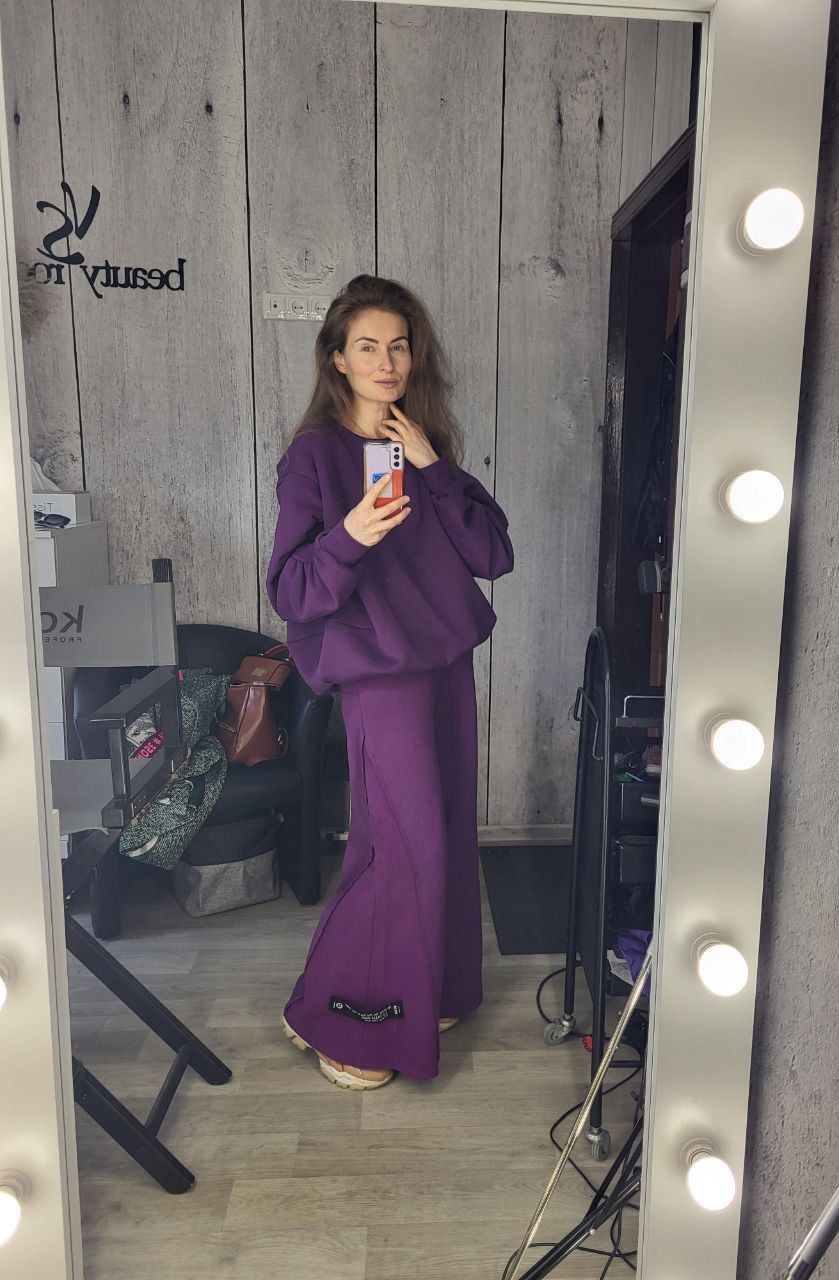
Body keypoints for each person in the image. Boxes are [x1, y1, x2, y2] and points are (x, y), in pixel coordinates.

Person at [265, 274, 514, 1089]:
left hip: (445, 664)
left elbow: (493, 556)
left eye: (399, 346)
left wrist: (435, 466)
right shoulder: (314, 455)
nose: (387, 361)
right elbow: (292, 589)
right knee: (402, 842)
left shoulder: (420, 443)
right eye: (367, 346)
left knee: (445, 830)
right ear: (336, 358)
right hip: (381, 676)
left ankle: (427, 985)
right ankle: (348, 1013)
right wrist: (351, 534)